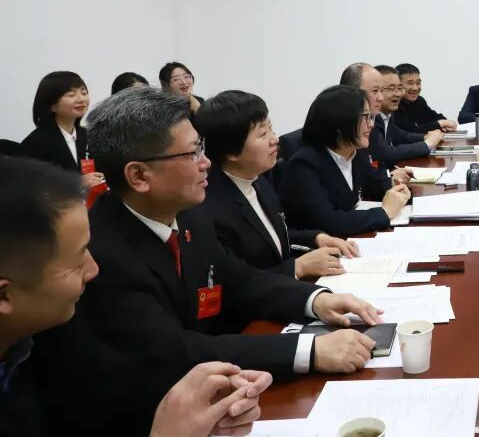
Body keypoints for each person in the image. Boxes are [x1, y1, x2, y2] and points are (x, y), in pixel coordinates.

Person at [70, 87, 383, 430]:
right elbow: (177, 351)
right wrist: (308, 351)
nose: (205, 162)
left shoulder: (188, 214)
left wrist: (316, 300)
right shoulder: (102, 253)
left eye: (201, 149)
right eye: (191, 153)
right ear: (139, 176)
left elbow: (239, 280)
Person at [0, 157, 272, 437]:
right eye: (78, 258)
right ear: (5, 296)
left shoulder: (39, 342)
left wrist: (199, 407)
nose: (93, 270)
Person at [194, 90, 359, 278]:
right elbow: (235, 281)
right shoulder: (210, 207)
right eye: (263, 134)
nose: (275, 139)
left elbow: (269, 239)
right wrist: (297, 267)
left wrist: (315, 238)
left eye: (271, 128)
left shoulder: (259, 181)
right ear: (232, 151)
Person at [280, 85, 410, 237]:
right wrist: (385, 212)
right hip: (324, 248)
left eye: (371, 117)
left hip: (352, 240)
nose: (371, 124)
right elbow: (330, 222)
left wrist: (397, 187)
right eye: (365, 117)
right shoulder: (304, 166)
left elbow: (372, 184)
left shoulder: (355, 152)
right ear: (339, 123)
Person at [20, 71, 104, 190]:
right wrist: (75, 183)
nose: (81, 99)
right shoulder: (36, 142)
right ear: (52, 105)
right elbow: (32, 186)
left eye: (84, 93)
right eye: (71, 95)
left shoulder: (88, 135)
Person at [375, 65, 444, 161]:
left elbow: (403, 136)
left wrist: (426, 137)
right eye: (391, 88)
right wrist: (427, 144)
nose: (398, 94)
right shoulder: (369, 119)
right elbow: (386, 153)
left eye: (400, 88)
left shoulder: (387, 115)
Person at [395, 63, 458, 133]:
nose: (415, 88)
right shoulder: (394, 104)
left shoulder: (419, 101)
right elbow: (409, 131)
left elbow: (436, 118)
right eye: (410, 83)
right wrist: (440, 124)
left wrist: (443, 124)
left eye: (418, 83)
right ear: (398, 85)